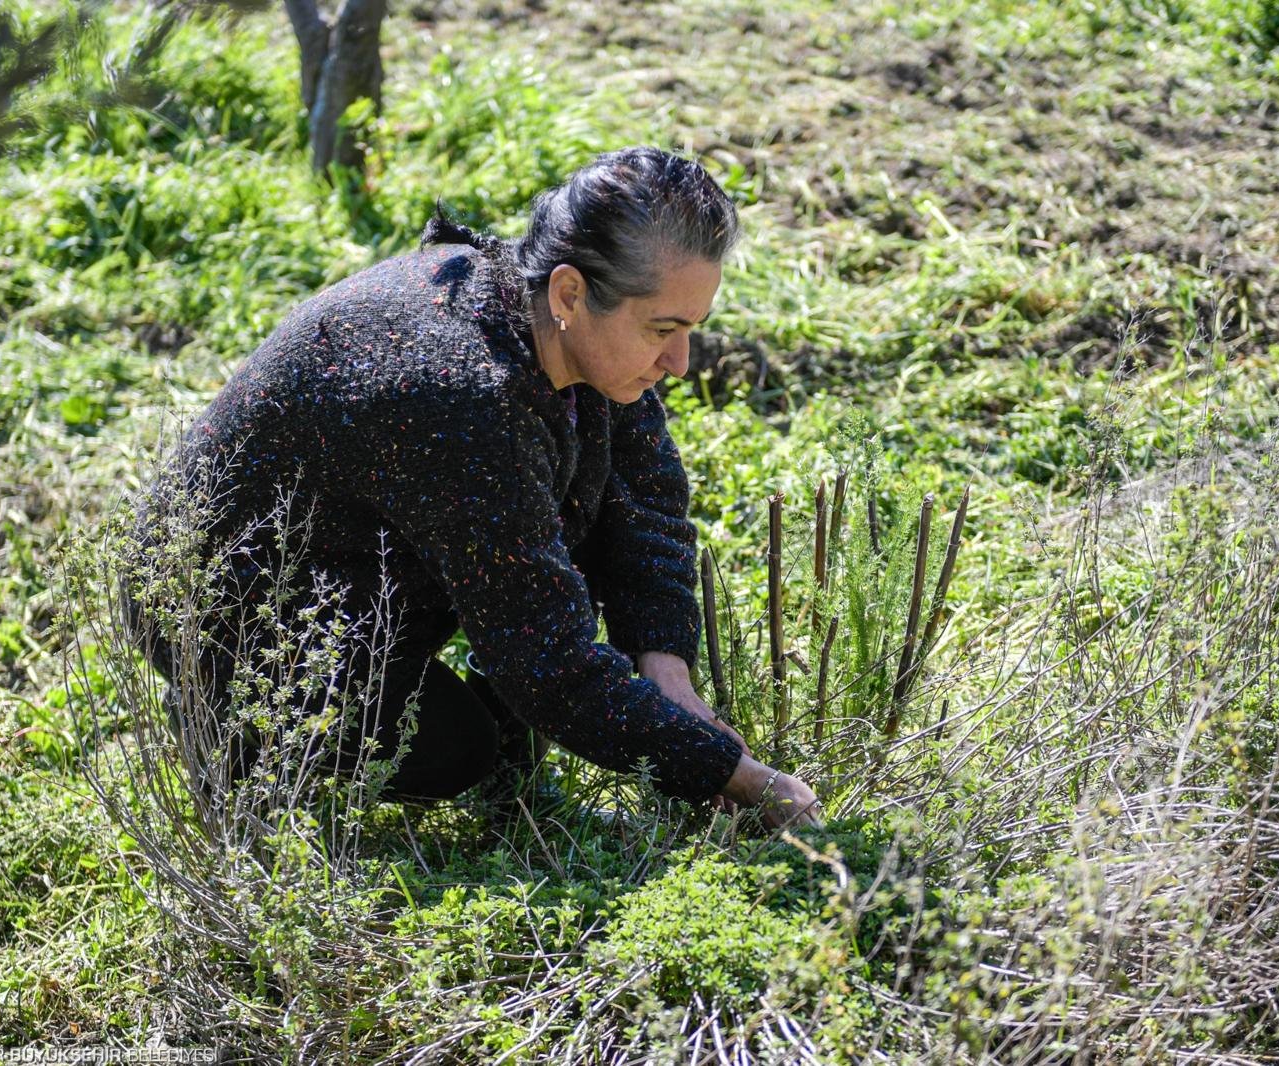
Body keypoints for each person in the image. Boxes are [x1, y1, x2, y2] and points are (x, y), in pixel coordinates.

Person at [127, 146, 821, 831]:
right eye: (663, 330)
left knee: (564, 544)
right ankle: (226, 724)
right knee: (456, 751)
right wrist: (732, 773)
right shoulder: (463, 392)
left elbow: (644, 505)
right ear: (570, 293)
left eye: (691, 329)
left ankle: (499, 759)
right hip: (224, 606)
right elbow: (546, 660)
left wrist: (667, 668)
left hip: (357, 563)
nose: (679, 361)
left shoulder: (564, 332)